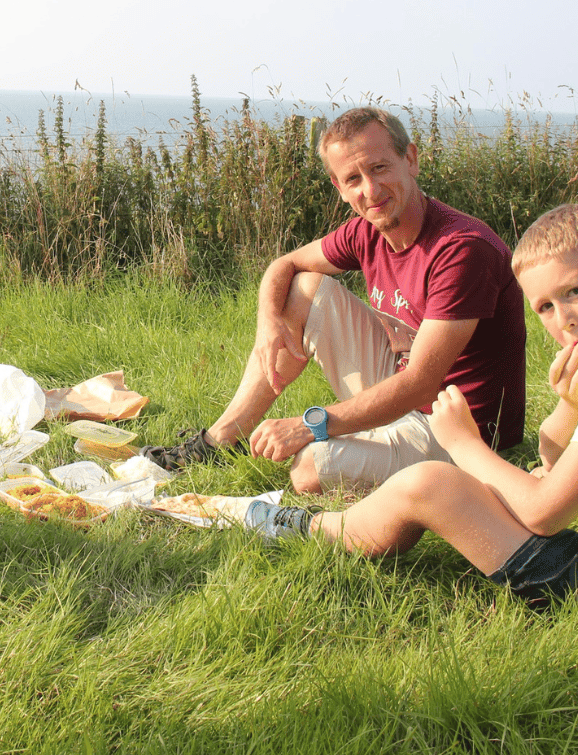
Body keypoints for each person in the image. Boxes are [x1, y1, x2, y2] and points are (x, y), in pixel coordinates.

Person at [248, 203, 578, 612]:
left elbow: (545, 513)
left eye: (575, 291)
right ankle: (315, 525)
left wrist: (464, 445)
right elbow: (553, 462)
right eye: (544, 307)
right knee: (511, 482)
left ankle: (305, 528)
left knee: (428, 484)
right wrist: (569, 403)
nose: (564, 320)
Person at [141, 107, 526, 493]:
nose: (370, 191)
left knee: (308, 468)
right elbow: (285, 264)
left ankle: (375, 454)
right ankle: (221, 440)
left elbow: (422, 384)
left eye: (379, 169)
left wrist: (309, 424)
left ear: (410, 160)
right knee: (303, 287)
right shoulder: (367, 231)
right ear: (339, 188)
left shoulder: (460, 249)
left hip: (460, 431)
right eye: (353, 179)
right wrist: (267, 323)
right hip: (404, 392)